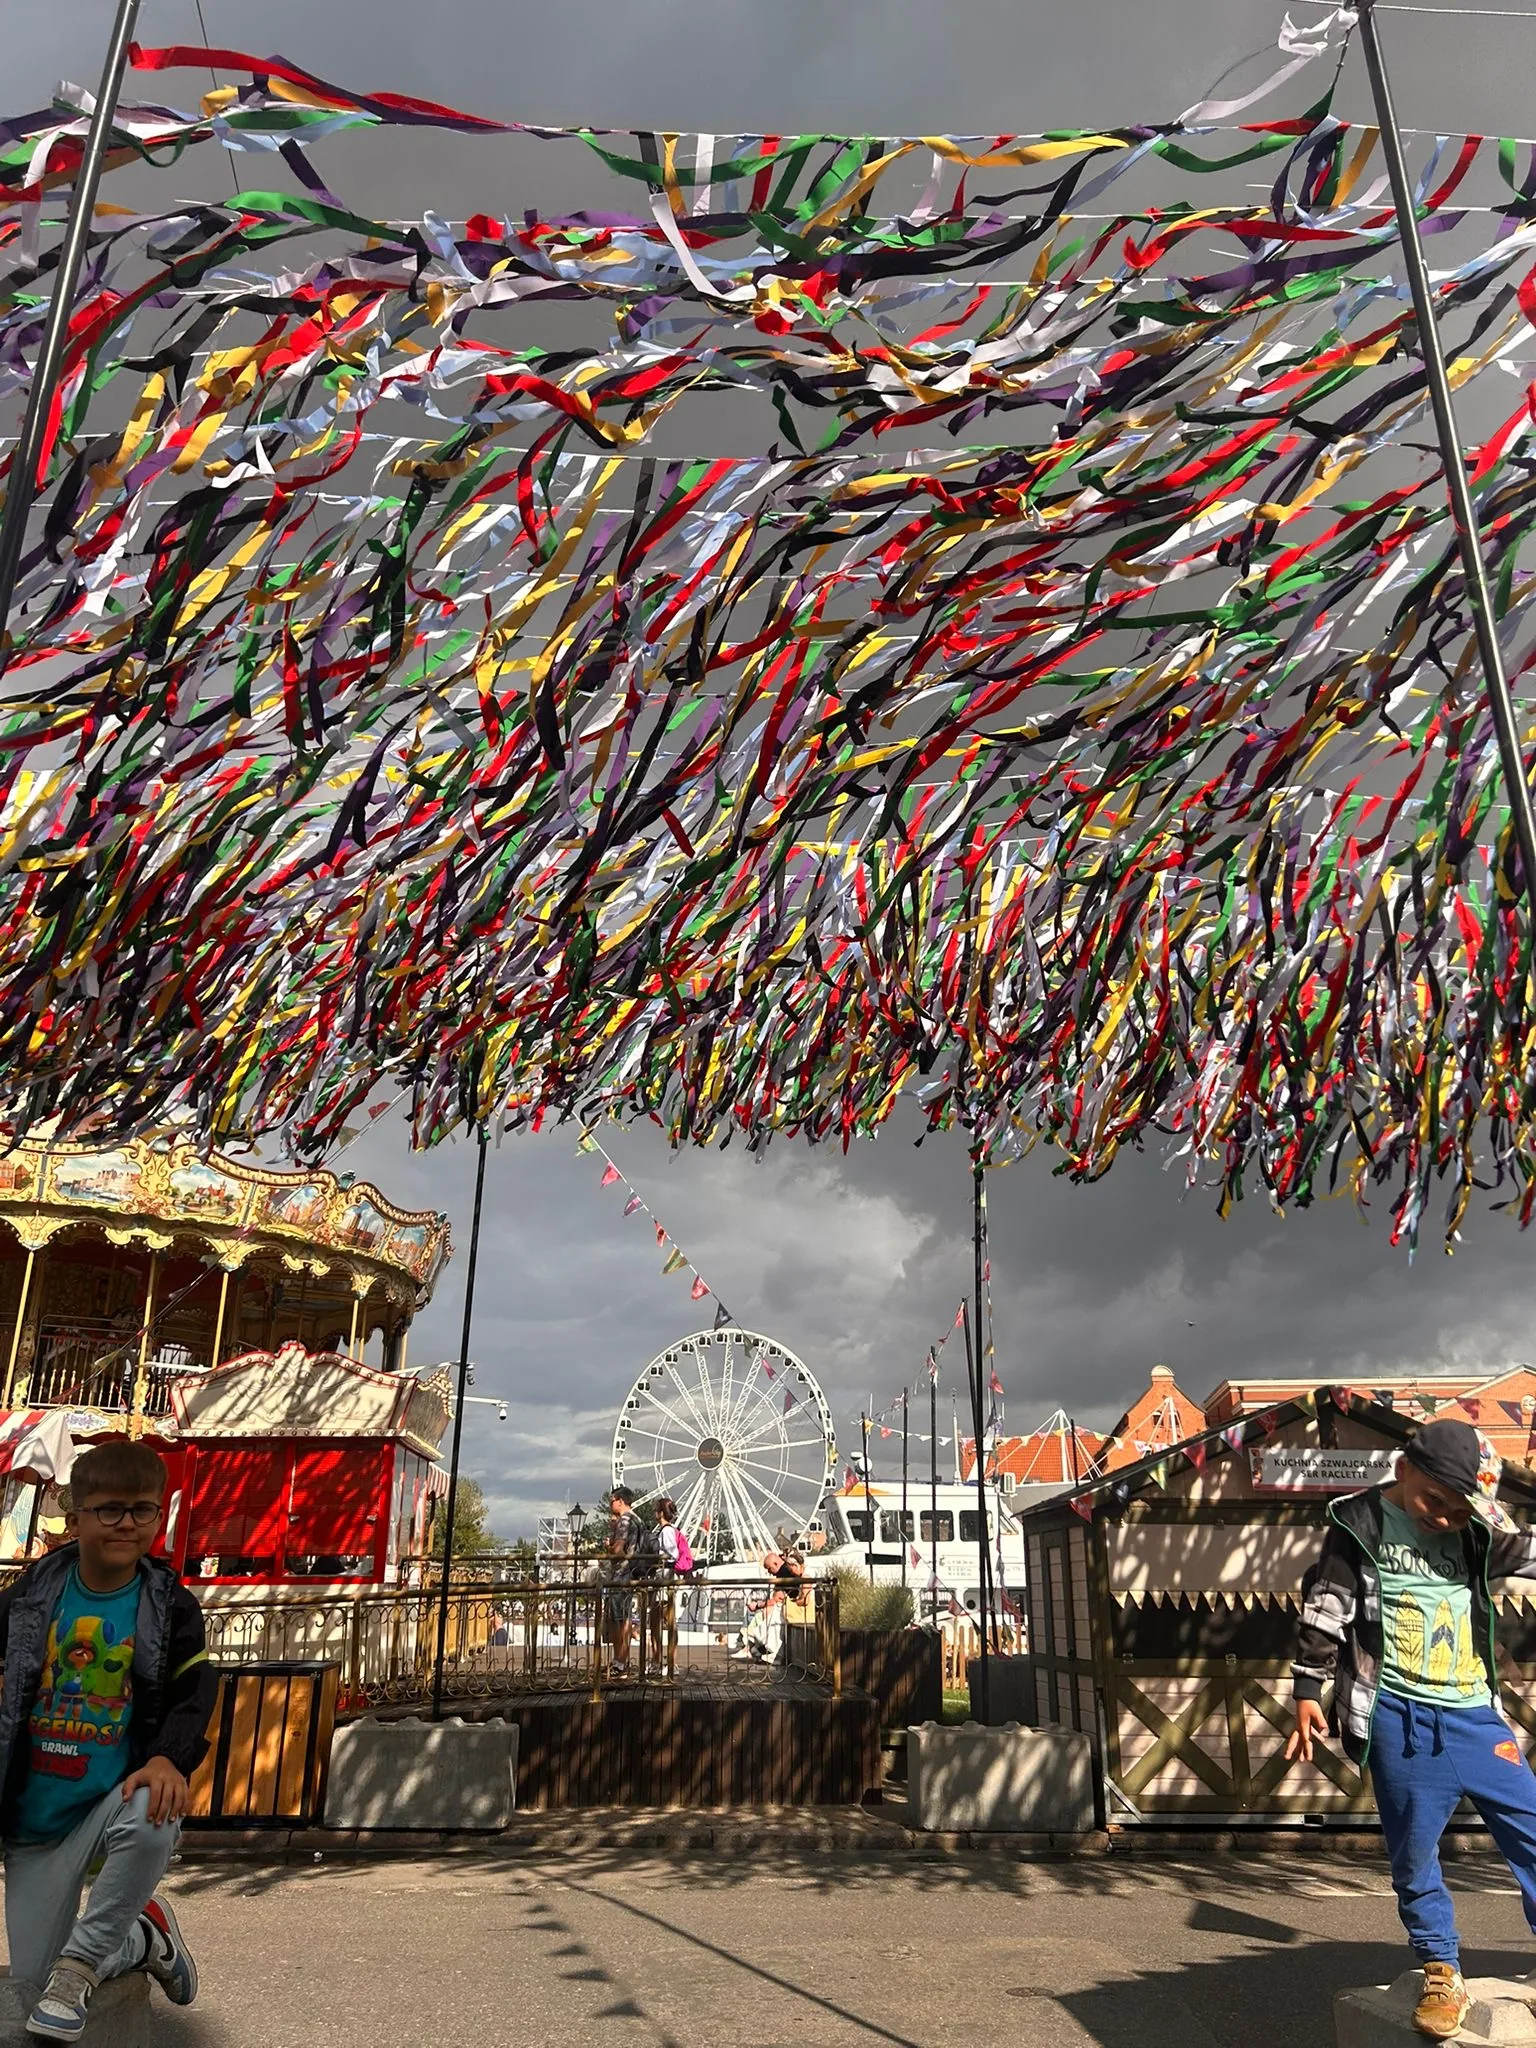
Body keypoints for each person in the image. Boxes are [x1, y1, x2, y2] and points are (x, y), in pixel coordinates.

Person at [1286, 1418, 1536, 2040]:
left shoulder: (1475, 1532)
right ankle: (1441, 1970)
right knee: (1414, 1854)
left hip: (1475, 1717)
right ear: (1403, 1471)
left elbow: (1530, 1550)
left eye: (1460, 1511)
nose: (1446, 1519)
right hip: (1399, 1718)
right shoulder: (1360, 1525)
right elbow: (1326, 1606)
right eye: (1434, 1502)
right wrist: (1308, 1690)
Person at [0, 1441, 216, 2041]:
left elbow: (195, 1689)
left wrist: (170, 1757)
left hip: (109, 1799)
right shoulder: (30, 1597)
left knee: (155, 1805)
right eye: (109, 1509)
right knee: (35, 1979)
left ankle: (79, 1969)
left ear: (158, 1516)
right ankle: (143, 1936)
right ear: (75, 1520)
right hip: (35, 1822)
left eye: (142, 1509)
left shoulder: (171, 1606)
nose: (126, 1523)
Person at [604, 1488, 643, 1677]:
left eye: (612, 1500)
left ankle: (620, 1661)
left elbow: (618, 1550)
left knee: (620, 1619)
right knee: (624, 1616)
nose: (610, 1504)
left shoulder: (625, 1520)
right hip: (634, 1572)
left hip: (621, 1573)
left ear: (620, 1501)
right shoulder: (638, 1519)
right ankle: (621, 1660)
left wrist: (609, 1546)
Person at [647, 1498, 682, 1668]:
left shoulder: (667, 1531)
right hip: (664, 1579)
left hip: (663, 1580)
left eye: (656, 1510)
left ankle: (664, 1661)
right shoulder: (669, 1530)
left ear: (661, 1513)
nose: (654, 1513)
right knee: (662, 1621)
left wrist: (657, 1561)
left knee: (662, 1621)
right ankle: (662, 1660)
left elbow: (672, 1555)